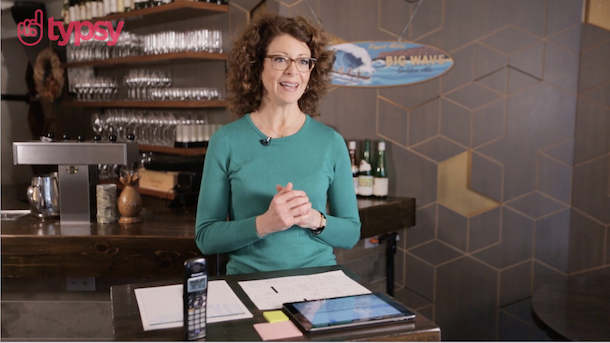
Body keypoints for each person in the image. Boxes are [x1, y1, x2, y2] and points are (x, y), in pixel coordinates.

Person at [195, 13, 360, 275]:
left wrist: (313, 219)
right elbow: (206, 237)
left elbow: (351, 234)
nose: (293, 71)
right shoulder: (226, 141)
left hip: (317, 284)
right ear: (257, 66)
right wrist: (264, 224)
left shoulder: (331, 142)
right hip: (250, 284)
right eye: (280, 59)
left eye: (303, 61)